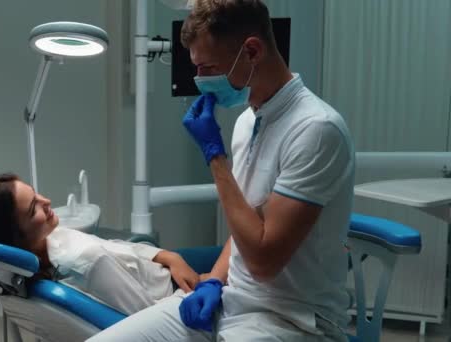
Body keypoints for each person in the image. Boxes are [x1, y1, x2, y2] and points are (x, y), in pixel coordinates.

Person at [87, 0, 355, 341]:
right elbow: (250, 223)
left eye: (208, 67)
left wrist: (215, 157)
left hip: (292, 320)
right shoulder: (247, 122)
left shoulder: (316, 130)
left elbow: (263, 260)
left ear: (252, 51)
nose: (200, 80)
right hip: (232, 303)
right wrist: (214, 279)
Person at [0, 173, 199, 316]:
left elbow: (116, 247)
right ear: (13, 240)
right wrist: (200, 288)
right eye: (32, 209)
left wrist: (169, 257)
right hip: (179, 297)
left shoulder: (42, 252)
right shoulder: (88, 263)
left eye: (36, 194)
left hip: (169, 269)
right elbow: (149, 322)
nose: (46, 201)